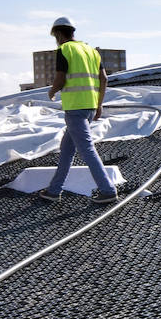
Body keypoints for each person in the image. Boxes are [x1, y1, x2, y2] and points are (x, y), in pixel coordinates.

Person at [37, 17, 119, 203]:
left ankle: (107, 190)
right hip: (89, 107)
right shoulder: (91, 50)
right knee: (66, 149)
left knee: (87, 149)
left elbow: (60, 79)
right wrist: (99, 104)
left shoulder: (64, 50)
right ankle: (54, 190)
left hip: (75, 108)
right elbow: (104, 79)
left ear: (58, 33)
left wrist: (51, 91)